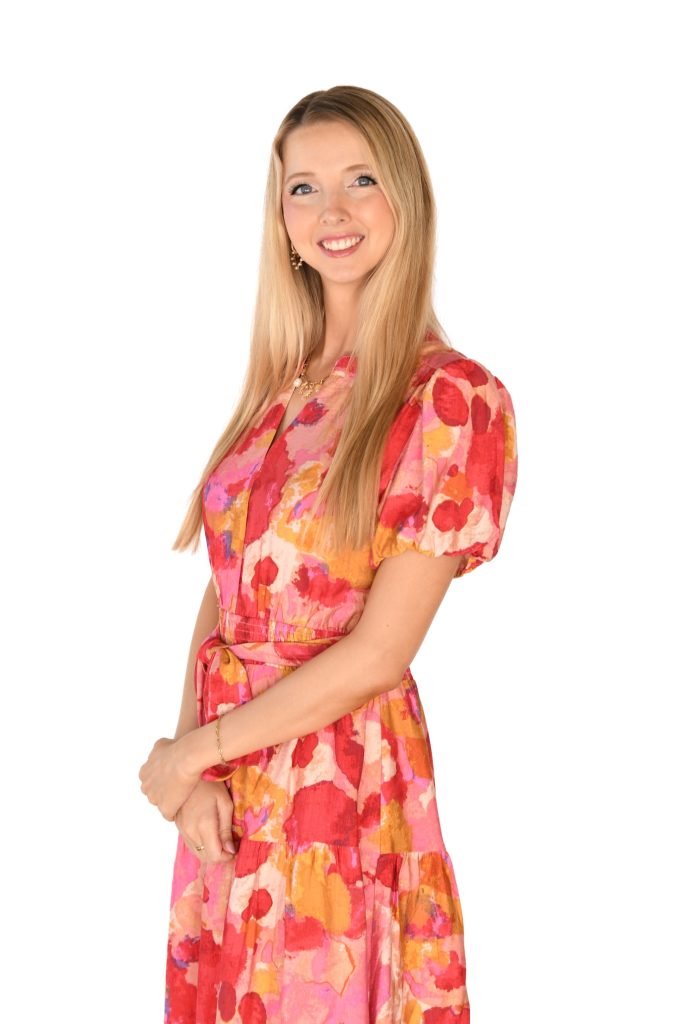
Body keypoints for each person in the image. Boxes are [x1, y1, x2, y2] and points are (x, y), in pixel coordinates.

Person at [139, 84, 518, 1023]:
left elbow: (379, 653)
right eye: (303, 188)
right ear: (281, 218)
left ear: (405, 197)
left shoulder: (448, 398)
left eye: (360, 179)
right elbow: (226, 591)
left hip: (336, 790)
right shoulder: (283, 387)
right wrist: (194, 773)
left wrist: (195, 754)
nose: (332, 210)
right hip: (230, 792)